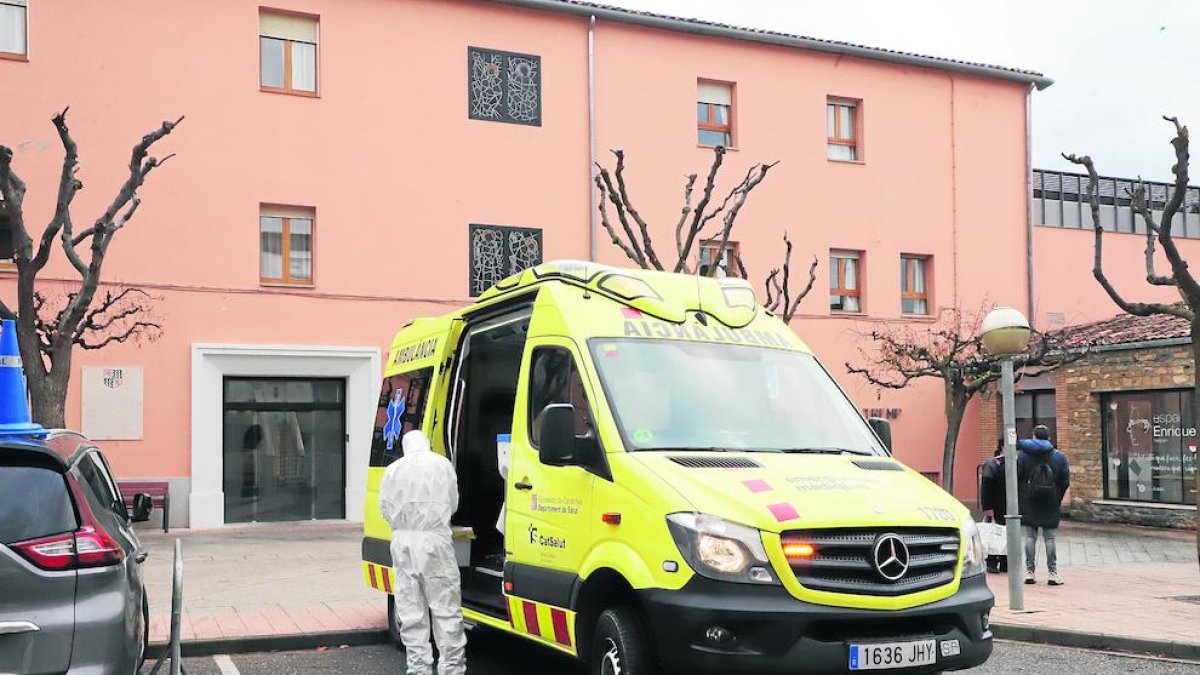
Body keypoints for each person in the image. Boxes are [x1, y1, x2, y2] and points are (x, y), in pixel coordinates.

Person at [379, 430, 466, 675]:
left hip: (403, 541)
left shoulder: (393, 469)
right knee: (445, 609)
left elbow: (384, 508)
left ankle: (418, 669)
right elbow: (454, 502)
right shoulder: (442, 464)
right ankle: (452, 669)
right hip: (434, 540)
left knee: (411, 610)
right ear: (427, 444)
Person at [1016, 425, 1071, 586]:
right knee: (1050, 538)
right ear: (1049, 438)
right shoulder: (1058, 457)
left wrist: (1023, 495)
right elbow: (1065, 480)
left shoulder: (1023, 456)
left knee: (1030, 537)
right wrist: (1057, 497)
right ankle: (1052, 573)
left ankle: (1030, 572)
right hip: (1050, 502)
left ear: (1033, 437)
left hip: (1029, 501)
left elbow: (1017, 478)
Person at [978, 440, 1008, 573]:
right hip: (996, 505)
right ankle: (992, 561)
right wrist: (988, 508)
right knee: (994, 534)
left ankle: (1005, 562)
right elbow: (986, 487)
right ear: (1002, 447)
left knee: (1005, 535)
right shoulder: (992, 464)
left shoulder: (1012, 462)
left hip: (1007, 505)